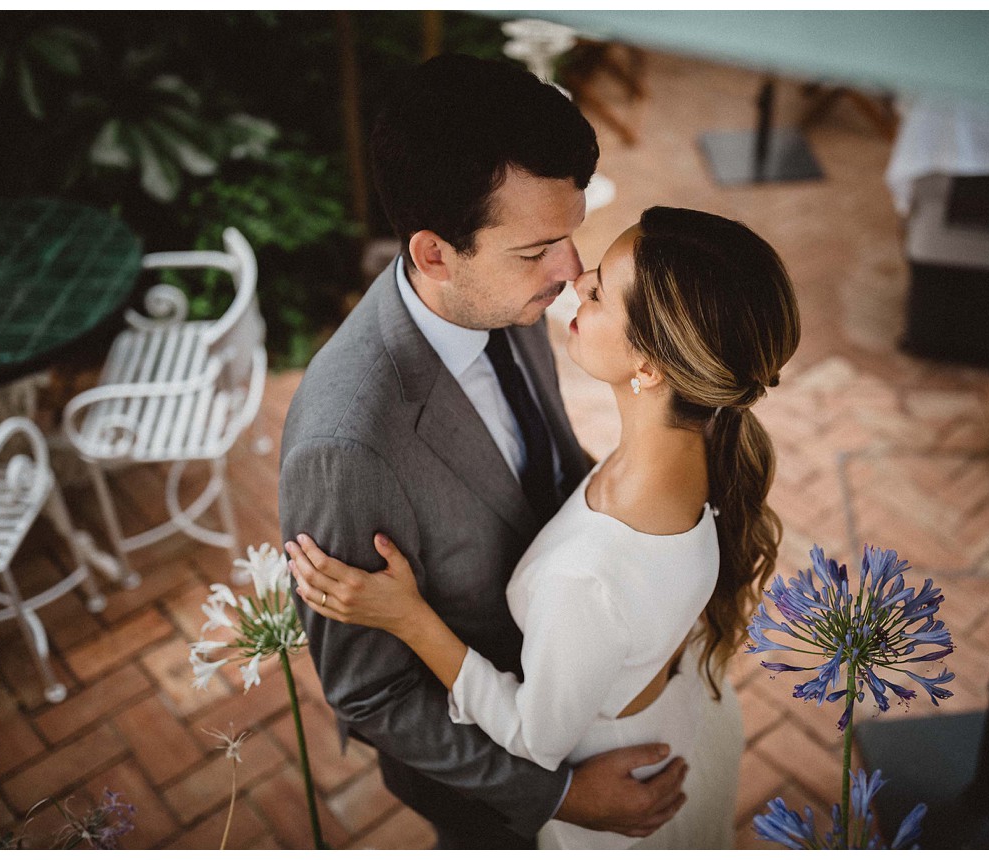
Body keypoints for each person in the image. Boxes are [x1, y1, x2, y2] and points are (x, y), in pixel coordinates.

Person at [287, 205, 802, 848]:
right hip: (685, 719)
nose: (577, 279)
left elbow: (534, 735)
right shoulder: (689, 464)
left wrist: (408, 618)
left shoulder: (585, 574)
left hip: (621, 780)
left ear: (649, 367)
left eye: (601, 291)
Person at [278, 55, 690, 849]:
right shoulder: (348, 445)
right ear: (434, 253)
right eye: (538, 250)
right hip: (489, 788)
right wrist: (559, 795)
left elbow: (552, 466)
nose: (572, 274)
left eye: (571, 236)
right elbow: (369, 694)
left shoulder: (505, 297)